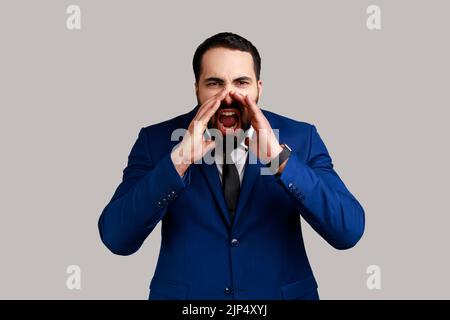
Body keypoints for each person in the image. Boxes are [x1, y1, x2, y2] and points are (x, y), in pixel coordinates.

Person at [98, 32, 365, 300]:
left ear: (259, 87)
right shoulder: (155, 141)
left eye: (241, 82)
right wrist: (178, 161)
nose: (228, 96)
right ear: (197, 88)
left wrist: (281, 160)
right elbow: (117, 238)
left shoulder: (300, 137)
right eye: (214, 83)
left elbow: (347, 231)